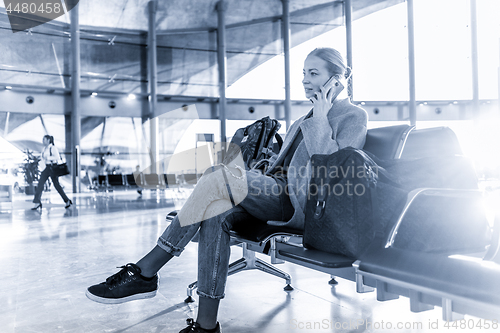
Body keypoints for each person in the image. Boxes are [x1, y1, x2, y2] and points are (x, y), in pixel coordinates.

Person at [85, 47, 368, 333]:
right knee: (215, 213)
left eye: (314, 73)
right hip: (274, 190)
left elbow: (333, 173)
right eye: (304, 73)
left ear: (337, 79)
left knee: (216, 174)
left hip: (298, 204)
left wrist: (321, 117)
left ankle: (147, 269)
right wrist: (261, 167)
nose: (305, 80)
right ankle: (206, 325)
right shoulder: (304, 117)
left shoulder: (353, 116)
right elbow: (286, 165)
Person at [31, 135, 72, 210]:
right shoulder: (44, 149)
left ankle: (67, 201)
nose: (43, 141)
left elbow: (57, 157)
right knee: (40, 184)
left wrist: (48, 158)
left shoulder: (53, 148)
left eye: (44, 139)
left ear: (48, 140)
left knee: (57, 186)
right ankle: (37, 202)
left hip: (53, 168)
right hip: (46, 168)